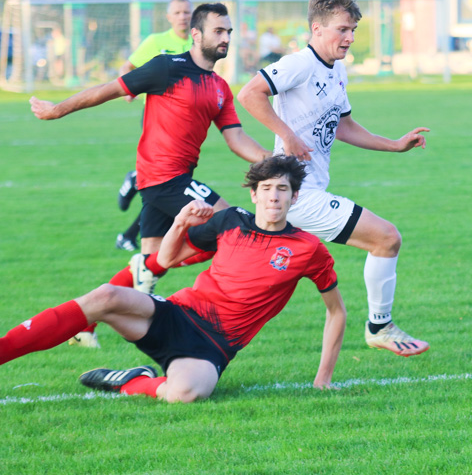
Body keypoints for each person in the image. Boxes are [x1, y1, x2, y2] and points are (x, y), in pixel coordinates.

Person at [0, 155, 347, 401]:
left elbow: (336, 312)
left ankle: (132, 380)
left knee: (183, 394)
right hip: (177, 314)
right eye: (267, 188)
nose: (274, 196)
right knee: (105, 296)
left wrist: (323, 379)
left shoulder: (308, 248)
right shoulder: (230, 221)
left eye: (283, 189)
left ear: (294, 196)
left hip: (213, 345)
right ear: (254, 194)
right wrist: (180, 222)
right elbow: (165, 259)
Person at [30, 3, 271, 348]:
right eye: (218, 31)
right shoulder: (166, 67)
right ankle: (202, 310)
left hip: (174, 178)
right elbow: (108, 89)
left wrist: (276, 160)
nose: (225, 38)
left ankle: (85, 325)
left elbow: (236, 139)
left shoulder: (219, 86)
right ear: (196, 34)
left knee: (150, 261)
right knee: (233, 225)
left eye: (229, 32)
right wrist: (57, 109)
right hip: (164, 178)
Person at [238, 0, 430, 357]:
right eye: (343, 29)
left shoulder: (337, 71)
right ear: (317, 28)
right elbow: (249, 94)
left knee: (249, 279)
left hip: (304, 193)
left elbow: (344, 127)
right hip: (298, 194)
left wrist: (394, 144)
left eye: (353, 30)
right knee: (387, 237)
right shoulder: (299, 64)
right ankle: (380, 326)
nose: (350, 37)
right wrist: (287, 135)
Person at [115, 0, 194, 253]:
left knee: (168, 188)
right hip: (157, 119)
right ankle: (137, 178)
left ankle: (128, 233)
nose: (183, 16)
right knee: (168, 184)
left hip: (187, 122)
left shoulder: (198, 42)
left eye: (186, 12)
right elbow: (129, 65)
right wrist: (130, 88)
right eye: (178, 12)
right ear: (169, 17)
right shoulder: (157, 43)